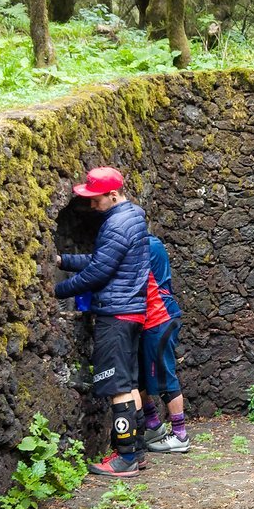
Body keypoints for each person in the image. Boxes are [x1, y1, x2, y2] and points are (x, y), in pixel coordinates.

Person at [54, 166, 151, 477]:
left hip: (116, 313)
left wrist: (57, 289)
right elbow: (103, 260)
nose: (91, 206)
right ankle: (136, 451)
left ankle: (125, 459)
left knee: (118, 387)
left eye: (96, 200)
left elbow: (98, 273)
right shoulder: (132, 216)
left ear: (113, 195)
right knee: (131, 385)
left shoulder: (117, 224)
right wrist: (63, 261)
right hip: (132, 311)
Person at [139, 233, 189, 453]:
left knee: (165, 376)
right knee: (138, 376)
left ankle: (180, 435)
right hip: (149, 320)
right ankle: (153, 426)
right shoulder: (149, 243)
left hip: (159, 319)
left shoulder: (147, 246)